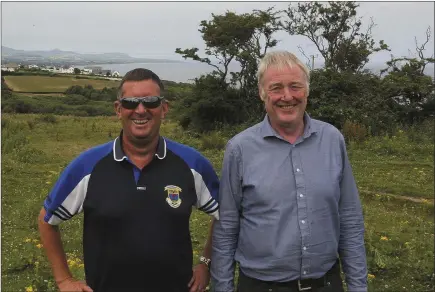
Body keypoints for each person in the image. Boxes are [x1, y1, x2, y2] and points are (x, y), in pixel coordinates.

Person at [38, 68, 219, 292]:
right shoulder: (87, 166)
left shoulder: (193, 164)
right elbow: (47, 220)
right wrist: (64, 280)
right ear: (118, 109)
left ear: (164, 108)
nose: (140, 110)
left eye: (150, 101)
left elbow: (225, 216)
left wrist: (206, 263)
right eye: (131, 102)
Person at [210, 51, 368, 292]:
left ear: (306, 91)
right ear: (262, 94)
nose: (287, 96)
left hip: (325, 284)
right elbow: (227, 226)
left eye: (295, 86)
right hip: (261, 286)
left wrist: (358, 287)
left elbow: (349, 218)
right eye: (276, 88)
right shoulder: (240, 148)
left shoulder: (332, 139)